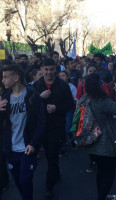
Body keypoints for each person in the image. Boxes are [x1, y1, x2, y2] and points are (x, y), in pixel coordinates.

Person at [77, 73, 116, 200]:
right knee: (109, 174)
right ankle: (101, 197)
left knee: (100, 172)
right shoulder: (102, 101)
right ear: (100, 85)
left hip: (91, 140)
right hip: (105, 143)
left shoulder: (84, 99)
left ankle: (102, 195)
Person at [0, 64, 45, 200]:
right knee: (19, 181)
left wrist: (33, 143)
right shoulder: (5, 97)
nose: (2, 80)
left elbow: (41, 122)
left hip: (27, 147)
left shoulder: (32, 96)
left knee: (25, 180)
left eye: (6, 77)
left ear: (16, 78)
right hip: (11, 148)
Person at [33, 58, 74, 199]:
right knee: (51, 155)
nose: (49, 72)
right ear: (42, 69)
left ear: (55, 68)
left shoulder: (63, 85)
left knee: (51, 154)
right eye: (46, 69)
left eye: (51, 69)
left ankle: (48, 187)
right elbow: (30, 105)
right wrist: (39, 97)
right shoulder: (37, 85)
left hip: (57, 125)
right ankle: (55, 173)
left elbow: (70, 104)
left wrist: (57, 108)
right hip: (42, 126)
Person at [59, 70, 76, 156]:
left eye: (63, 75)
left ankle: (70, 141)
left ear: (67, 77)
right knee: (62, 129)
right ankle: (63, 147)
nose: (61, 77)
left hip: (69, 110)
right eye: (60, 76)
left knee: (66, 129)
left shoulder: (71, 86)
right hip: (59, 110)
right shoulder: (57, 86)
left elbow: (75, 99)